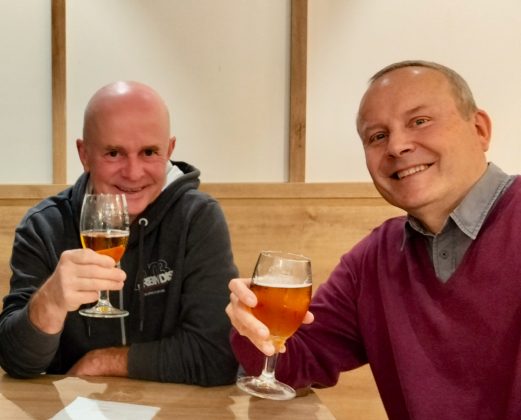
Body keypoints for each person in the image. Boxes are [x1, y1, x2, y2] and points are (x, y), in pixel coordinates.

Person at [226, 60, 521, 419]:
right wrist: (252, 325)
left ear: (479, 129)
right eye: (377, 136)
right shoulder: (374, 259)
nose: (397, 146)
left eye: (419, 121)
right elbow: (296, 363)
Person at [0, 81, 239, 385]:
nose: (133, 172)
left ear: (169, 150)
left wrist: (103, 362)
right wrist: (50, 302)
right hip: (72, 407)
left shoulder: (197, 218)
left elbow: (216, 356)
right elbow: (16, 362)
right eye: (114, 153)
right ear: (84, 154)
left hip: (173, 407)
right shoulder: (43, 226)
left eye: (149, 152)